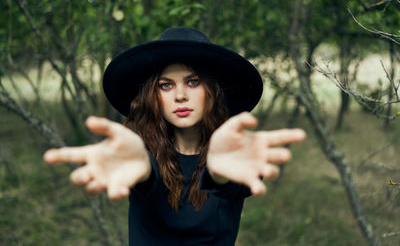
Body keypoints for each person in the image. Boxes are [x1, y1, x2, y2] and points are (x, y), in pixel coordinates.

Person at [44, 27, 306, 245]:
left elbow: (229, 181)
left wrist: (219, 174)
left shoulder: (232, 155)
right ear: (153, 96)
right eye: (166, 85)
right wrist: (142, 169)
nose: (180, 95)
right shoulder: (139, 154)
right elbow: (147, 176)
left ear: (212, 91)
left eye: (193, 82)